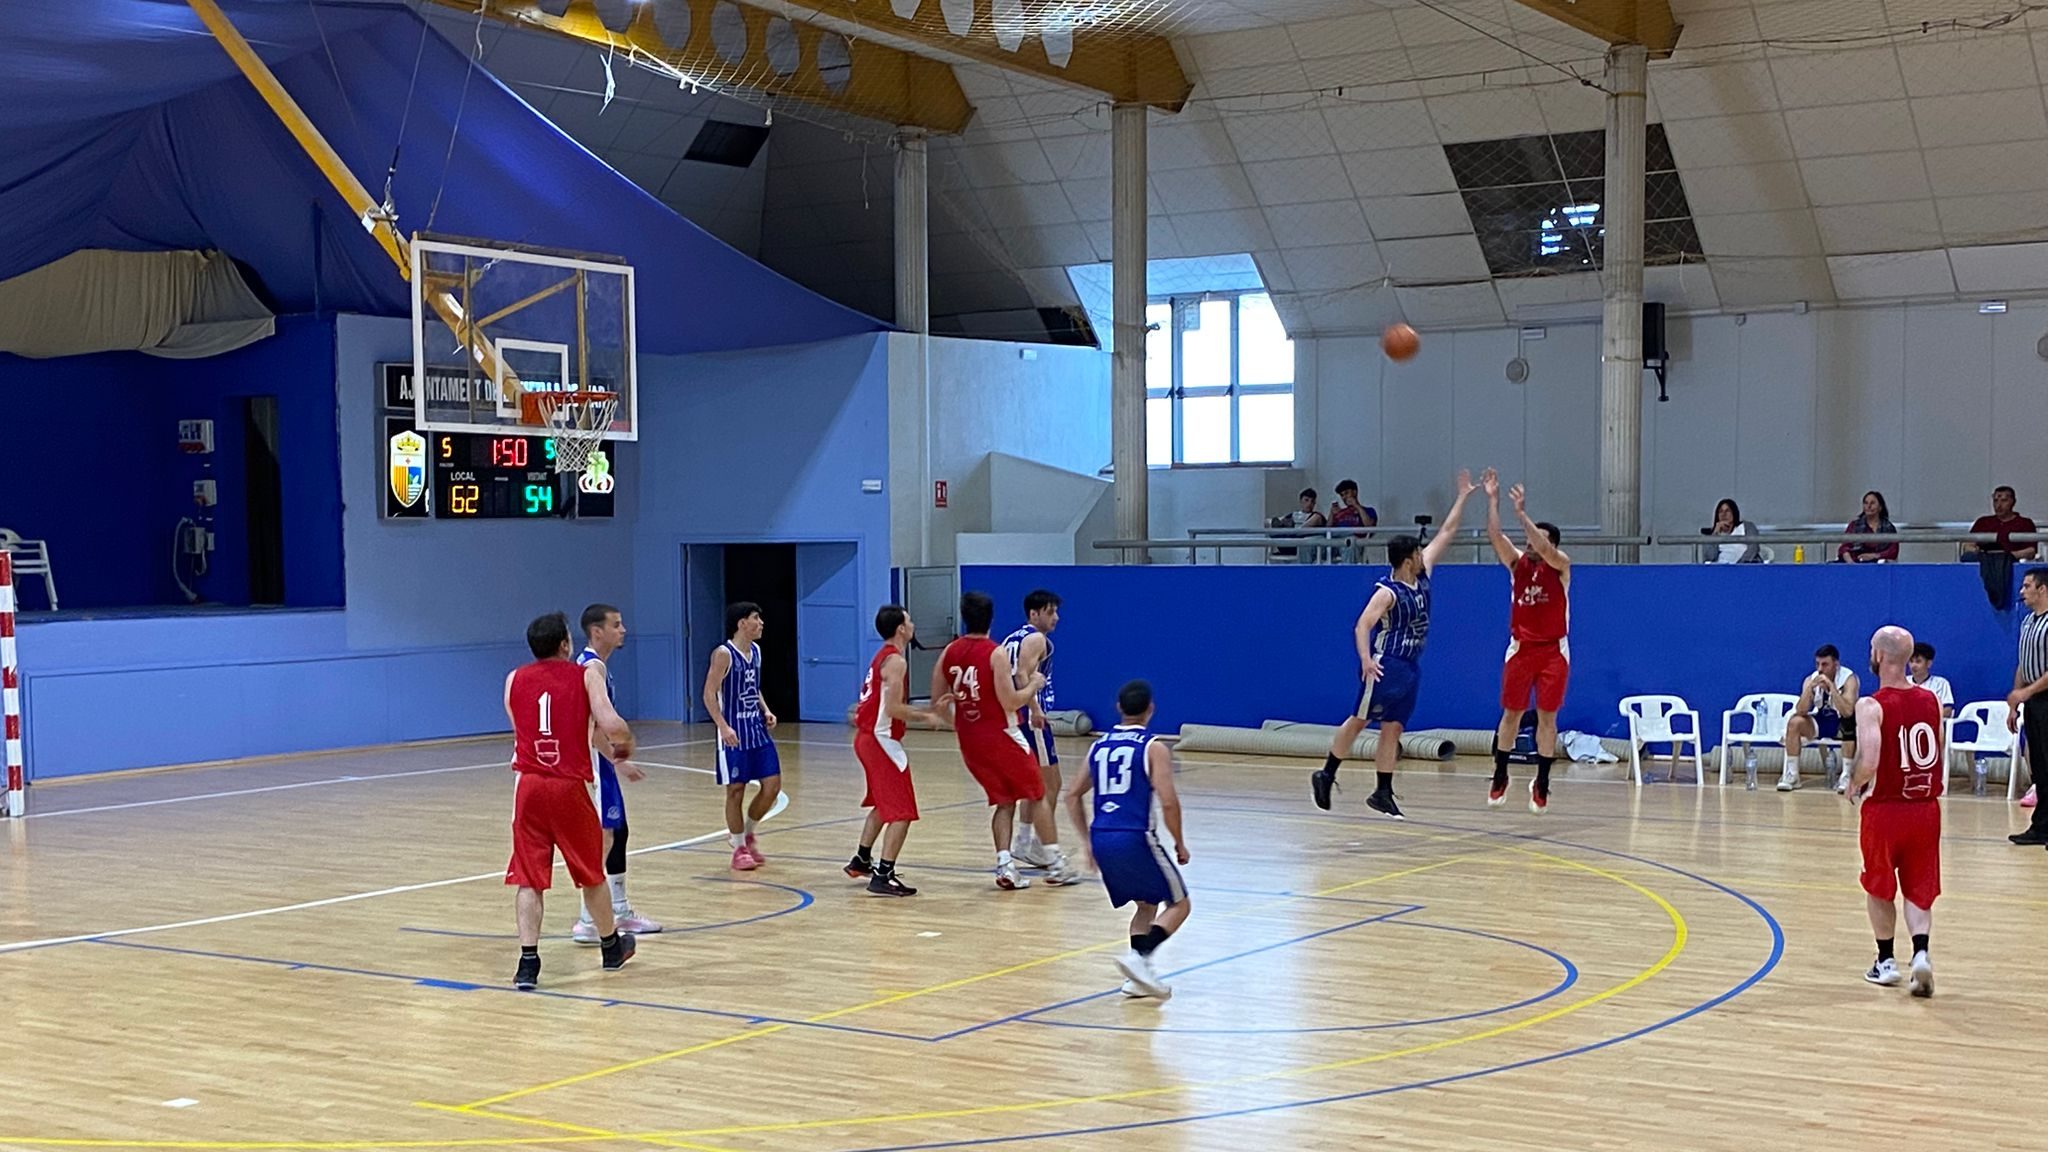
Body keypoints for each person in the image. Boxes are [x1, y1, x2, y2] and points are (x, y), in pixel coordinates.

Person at [1311, 470, 1478, 820]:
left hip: (1411, 668)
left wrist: (1463, 495)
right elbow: (1362, 625)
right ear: (1407, 560)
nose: (1423, 555)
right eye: (1418, 552)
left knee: (1394, 727)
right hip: (1387, 664)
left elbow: (1447, 532)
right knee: (1359, 720)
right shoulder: (1387, 592)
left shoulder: (1423, 575)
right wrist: (1366, 659)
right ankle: (1326, 773)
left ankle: (1382, 791)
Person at [504, 611, 638, 990]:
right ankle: (610, 947)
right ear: (565, 644)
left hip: (528, 785)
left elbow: (520, 728)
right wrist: (626, 744)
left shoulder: (513, 679)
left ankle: (528, 964)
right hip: (567, 785)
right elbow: (611, 724)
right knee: (590, 873)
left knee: (529, 879)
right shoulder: (585, 675)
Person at [934, 591, 1078, 888]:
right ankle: (1055, 863)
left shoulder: (950, 651)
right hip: (1003, 734)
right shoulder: (996, 652)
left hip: (970, 739)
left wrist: (955, 721)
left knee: (1005, 800)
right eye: (1050, 611)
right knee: (1039, 792)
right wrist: (1034, 688)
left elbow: (938, 702)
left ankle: (1005, 866)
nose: (1056, 617)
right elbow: (1012, 699)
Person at [1063, 679, 1190, 1001]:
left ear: (1119, 707)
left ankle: (1136, 980)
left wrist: (1087, 842)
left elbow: (1072, 794)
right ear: (1151, 709)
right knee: (1179, 904)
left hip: (1102, 836)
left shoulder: (1098, 746)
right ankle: (1140, 959)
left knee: (1146, 905)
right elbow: (1169, 801)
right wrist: (1179, 842)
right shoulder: (1153, 747)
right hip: (1134, 835)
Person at [1846, 625, 1943, 997]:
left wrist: (1853, 782)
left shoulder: (1871, 705)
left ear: (1879, 656)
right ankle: (1920, 953)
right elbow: (1938, 749)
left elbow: (1870, 760)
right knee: (1919, 887)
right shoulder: (1931, 701)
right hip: (1925, 808)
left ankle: (1886, 961)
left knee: (1879, 885)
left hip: (1886, 809)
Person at [571, 604, 659, 944]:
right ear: (597, 631)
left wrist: (616, 762)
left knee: (618, 832)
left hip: (601, 763)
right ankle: (588, 918)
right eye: (616, 624)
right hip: (593, 765)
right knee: (603, 837)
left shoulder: (596, 666)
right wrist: (620, 754)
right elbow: (596, 727)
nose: (623, 630)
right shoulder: (590, 667)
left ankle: (618, 908)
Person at [1483, 470, 1570, 813]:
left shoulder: (1561, 566)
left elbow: (1545, 547)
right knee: (1512, 714)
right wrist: (1493, 501)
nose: (1531, 544)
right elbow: (1495, 536)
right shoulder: (1518, 564)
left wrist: (1521, 515)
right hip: (1521, 648)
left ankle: (1542, 781)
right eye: (1529, 540)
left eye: (1537, 540)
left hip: (1553, 652)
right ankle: (1500, 773)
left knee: (1547, 717)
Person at [846, 605, 937, 897]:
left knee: (884, 805)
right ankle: (883, 875)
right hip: (880, 740)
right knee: (902, 812)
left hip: (867, 738)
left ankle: (862, 859)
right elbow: (895, 708)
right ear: (901, 628)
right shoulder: (896, 661)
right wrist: (928, 715)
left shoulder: (883, 656)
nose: (913, 624)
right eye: (909, 620)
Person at [704, 602, 781, 871]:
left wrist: (765, 709)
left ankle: (747, 833)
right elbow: (709, 693)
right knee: (736, 790)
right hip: (733, 733)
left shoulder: (756, 651)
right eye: (756, 618)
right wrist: (722, 726)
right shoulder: (723, 654)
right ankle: (738, 848)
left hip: (756, 729)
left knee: (772, 786)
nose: (761, 623)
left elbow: (753, 686)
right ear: (742, 623)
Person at [1003, 590, 1063, 869]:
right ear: (1033, 613)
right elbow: (1021, 675)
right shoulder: (1036, 638)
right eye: (1050, 612)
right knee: (1051, 784)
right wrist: (1036, 709)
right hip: (1029, 717)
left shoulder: (1010, 639)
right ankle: (1038, 845)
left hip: (1014, 717)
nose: (1056, 618)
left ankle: (1024, 843)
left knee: (1033, 783)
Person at [1780, 644, 1860, 793]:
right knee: (1795, 722)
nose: (1820, 669)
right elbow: (1801, 710)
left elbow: (1848, 711)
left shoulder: (1849, 679)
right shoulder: (1812, 678)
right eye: (1817, 664)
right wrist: (1809, 689)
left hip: (1841, 723)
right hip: (1822, 721)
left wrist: (1832, 688)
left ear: (1836, 664)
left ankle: (1846, 775)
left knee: (1849, 723)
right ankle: (1792, 775)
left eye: (1825, 664)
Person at [2006, 569, 2048, 847]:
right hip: (2033, 700)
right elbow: (2024, 662)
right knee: (2040, 768)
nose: (2022, 592)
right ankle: (2041, 826)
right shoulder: (2027, 622)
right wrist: (2016, 701)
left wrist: (2027, 692)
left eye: (2027, 586)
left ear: (2042, 589)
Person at [1964, 486, 2038, 560]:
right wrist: (1977, 552)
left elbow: (2031, 551)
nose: (1998, 505)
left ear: (2013, 502)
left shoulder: (2025, 523)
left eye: (2004, 500)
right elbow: (1968, 545)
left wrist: (2006, 557)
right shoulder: (1983, 522)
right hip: (1984, 561)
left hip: (2012, 562)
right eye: (1995, 501)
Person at [1838, 490, 1898, 563]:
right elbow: (1844, 548)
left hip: (1880, 565)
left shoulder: (1889, 527)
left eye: (1872, 503)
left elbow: (1893, 551)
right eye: (1866, 503)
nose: (1868, 506)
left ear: (1880, 507)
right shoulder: (1854, 525)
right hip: (1856, 563)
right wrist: (1851, 564)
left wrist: (1874, 556)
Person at [1707, 498, 1762, 564]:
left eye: (1727, 511)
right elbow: (1710, 557)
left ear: (1734, 513)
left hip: (1743, 566)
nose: (1724, 514)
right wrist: (1715, 533)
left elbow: (1753, 548)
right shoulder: (1715, 533)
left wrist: (1738, 565)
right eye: (1721, 511)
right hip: (1721, 567)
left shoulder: (1747, 526)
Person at [1908, 642, 1954, 719]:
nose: (1913, 666)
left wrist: (1926, 719)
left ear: (1929, 664)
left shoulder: (1941, 683)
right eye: (1911, 661)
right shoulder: (1903, 681)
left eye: (1918, 661)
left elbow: (1947, 710)